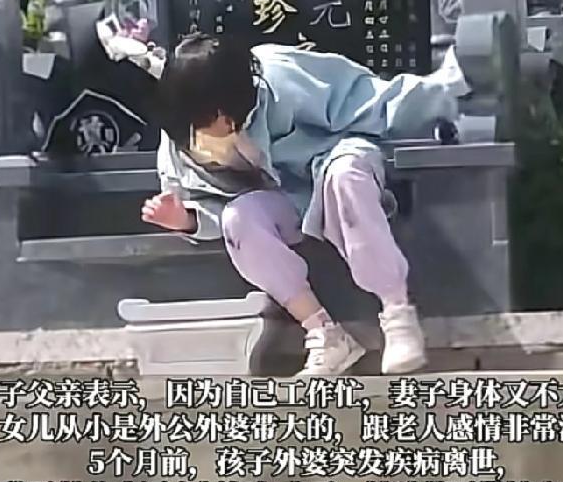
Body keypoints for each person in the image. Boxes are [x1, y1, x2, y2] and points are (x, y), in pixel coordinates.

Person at [141, 34, 468, 377]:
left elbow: (371, 100)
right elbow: (208, 203)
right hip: (285, 198)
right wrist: (188, 220)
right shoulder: (179, 133)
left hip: (335, 159)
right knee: (240, 219)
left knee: (345, 175)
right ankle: (325, 335)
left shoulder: (281, 75)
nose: (209, 128)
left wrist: (446, 94)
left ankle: (397, 312)